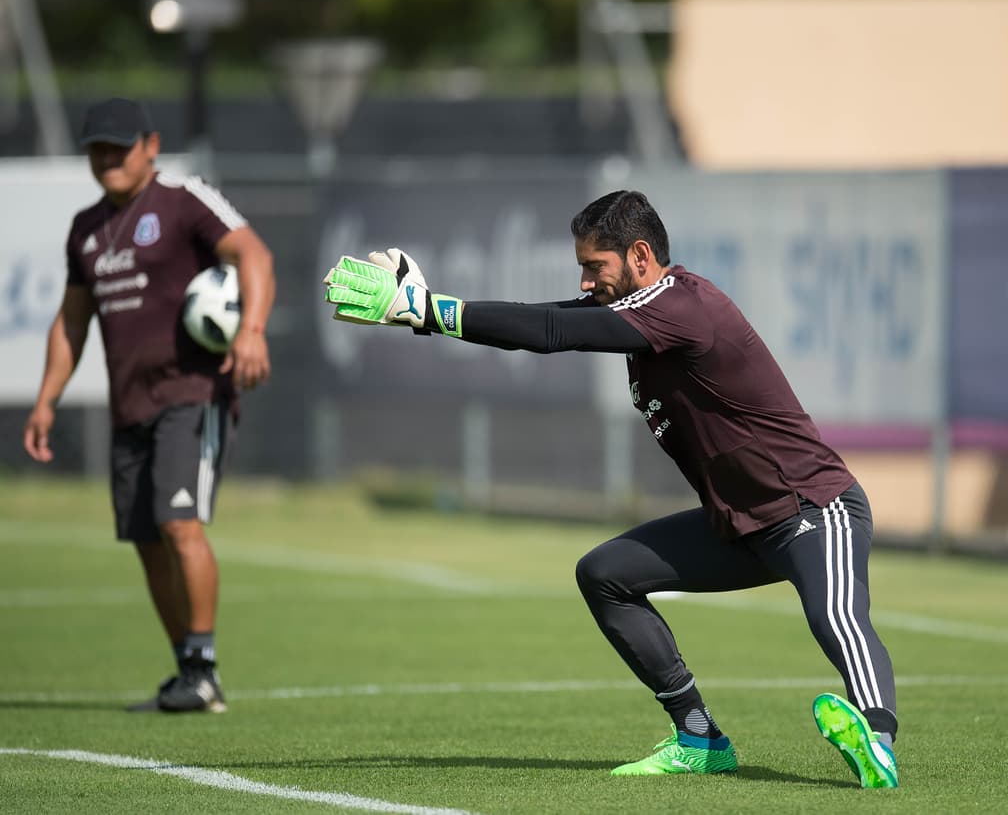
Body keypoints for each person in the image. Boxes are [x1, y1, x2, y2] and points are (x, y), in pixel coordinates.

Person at [322, 190, 899, 787]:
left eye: (595, 266)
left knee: (834, 612)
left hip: (809, 502)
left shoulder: (682, 304)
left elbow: (549, 330)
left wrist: (427, 306)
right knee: (606, 574)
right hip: (739, 520)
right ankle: (699, 737)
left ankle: (878, 739)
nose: (586, 280)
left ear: (640, 257)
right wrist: (428, 312)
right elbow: (543, 318)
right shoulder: (641, 306)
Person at [22, 97, 276, 713]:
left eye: (119, 146)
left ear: (150, 145)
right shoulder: (85, 229)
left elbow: (255, 255)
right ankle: (188, 670)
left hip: (189, 394)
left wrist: (251, 330)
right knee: (145, 540)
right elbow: (72, 321)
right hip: (128, 405)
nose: (108, 159)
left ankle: (206, 665)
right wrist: (46, 400)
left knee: (178, 523)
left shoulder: (183, 199)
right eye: (97, 150)